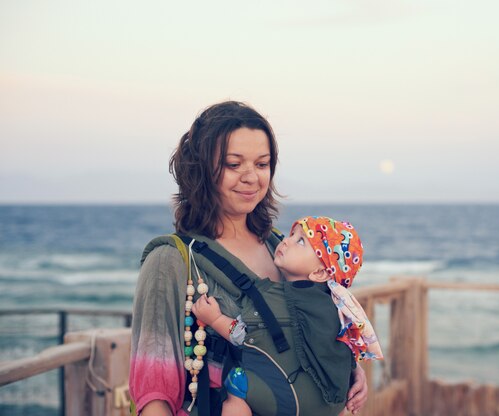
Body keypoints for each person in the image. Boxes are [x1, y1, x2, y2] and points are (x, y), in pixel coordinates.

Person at [129, 101, 368, 416]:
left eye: (262, 164)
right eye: (233, 164)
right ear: (201, 170)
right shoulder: (172, 260)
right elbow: (154, 391)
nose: (251, 177)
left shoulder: (281, 249)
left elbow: (312, 331)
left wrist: (347, 371)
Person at [192, 216, 383, 416]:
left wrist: (214, 319)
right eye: (292, 235)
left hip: (287, 401)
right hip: (333, 404)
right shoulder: (339, 308)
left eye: (300, 241)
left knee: (236, 383)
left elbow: (242, 335)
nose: (286, 240)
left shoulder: (273, 296)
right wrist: (355, 371)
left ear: (319, 273)